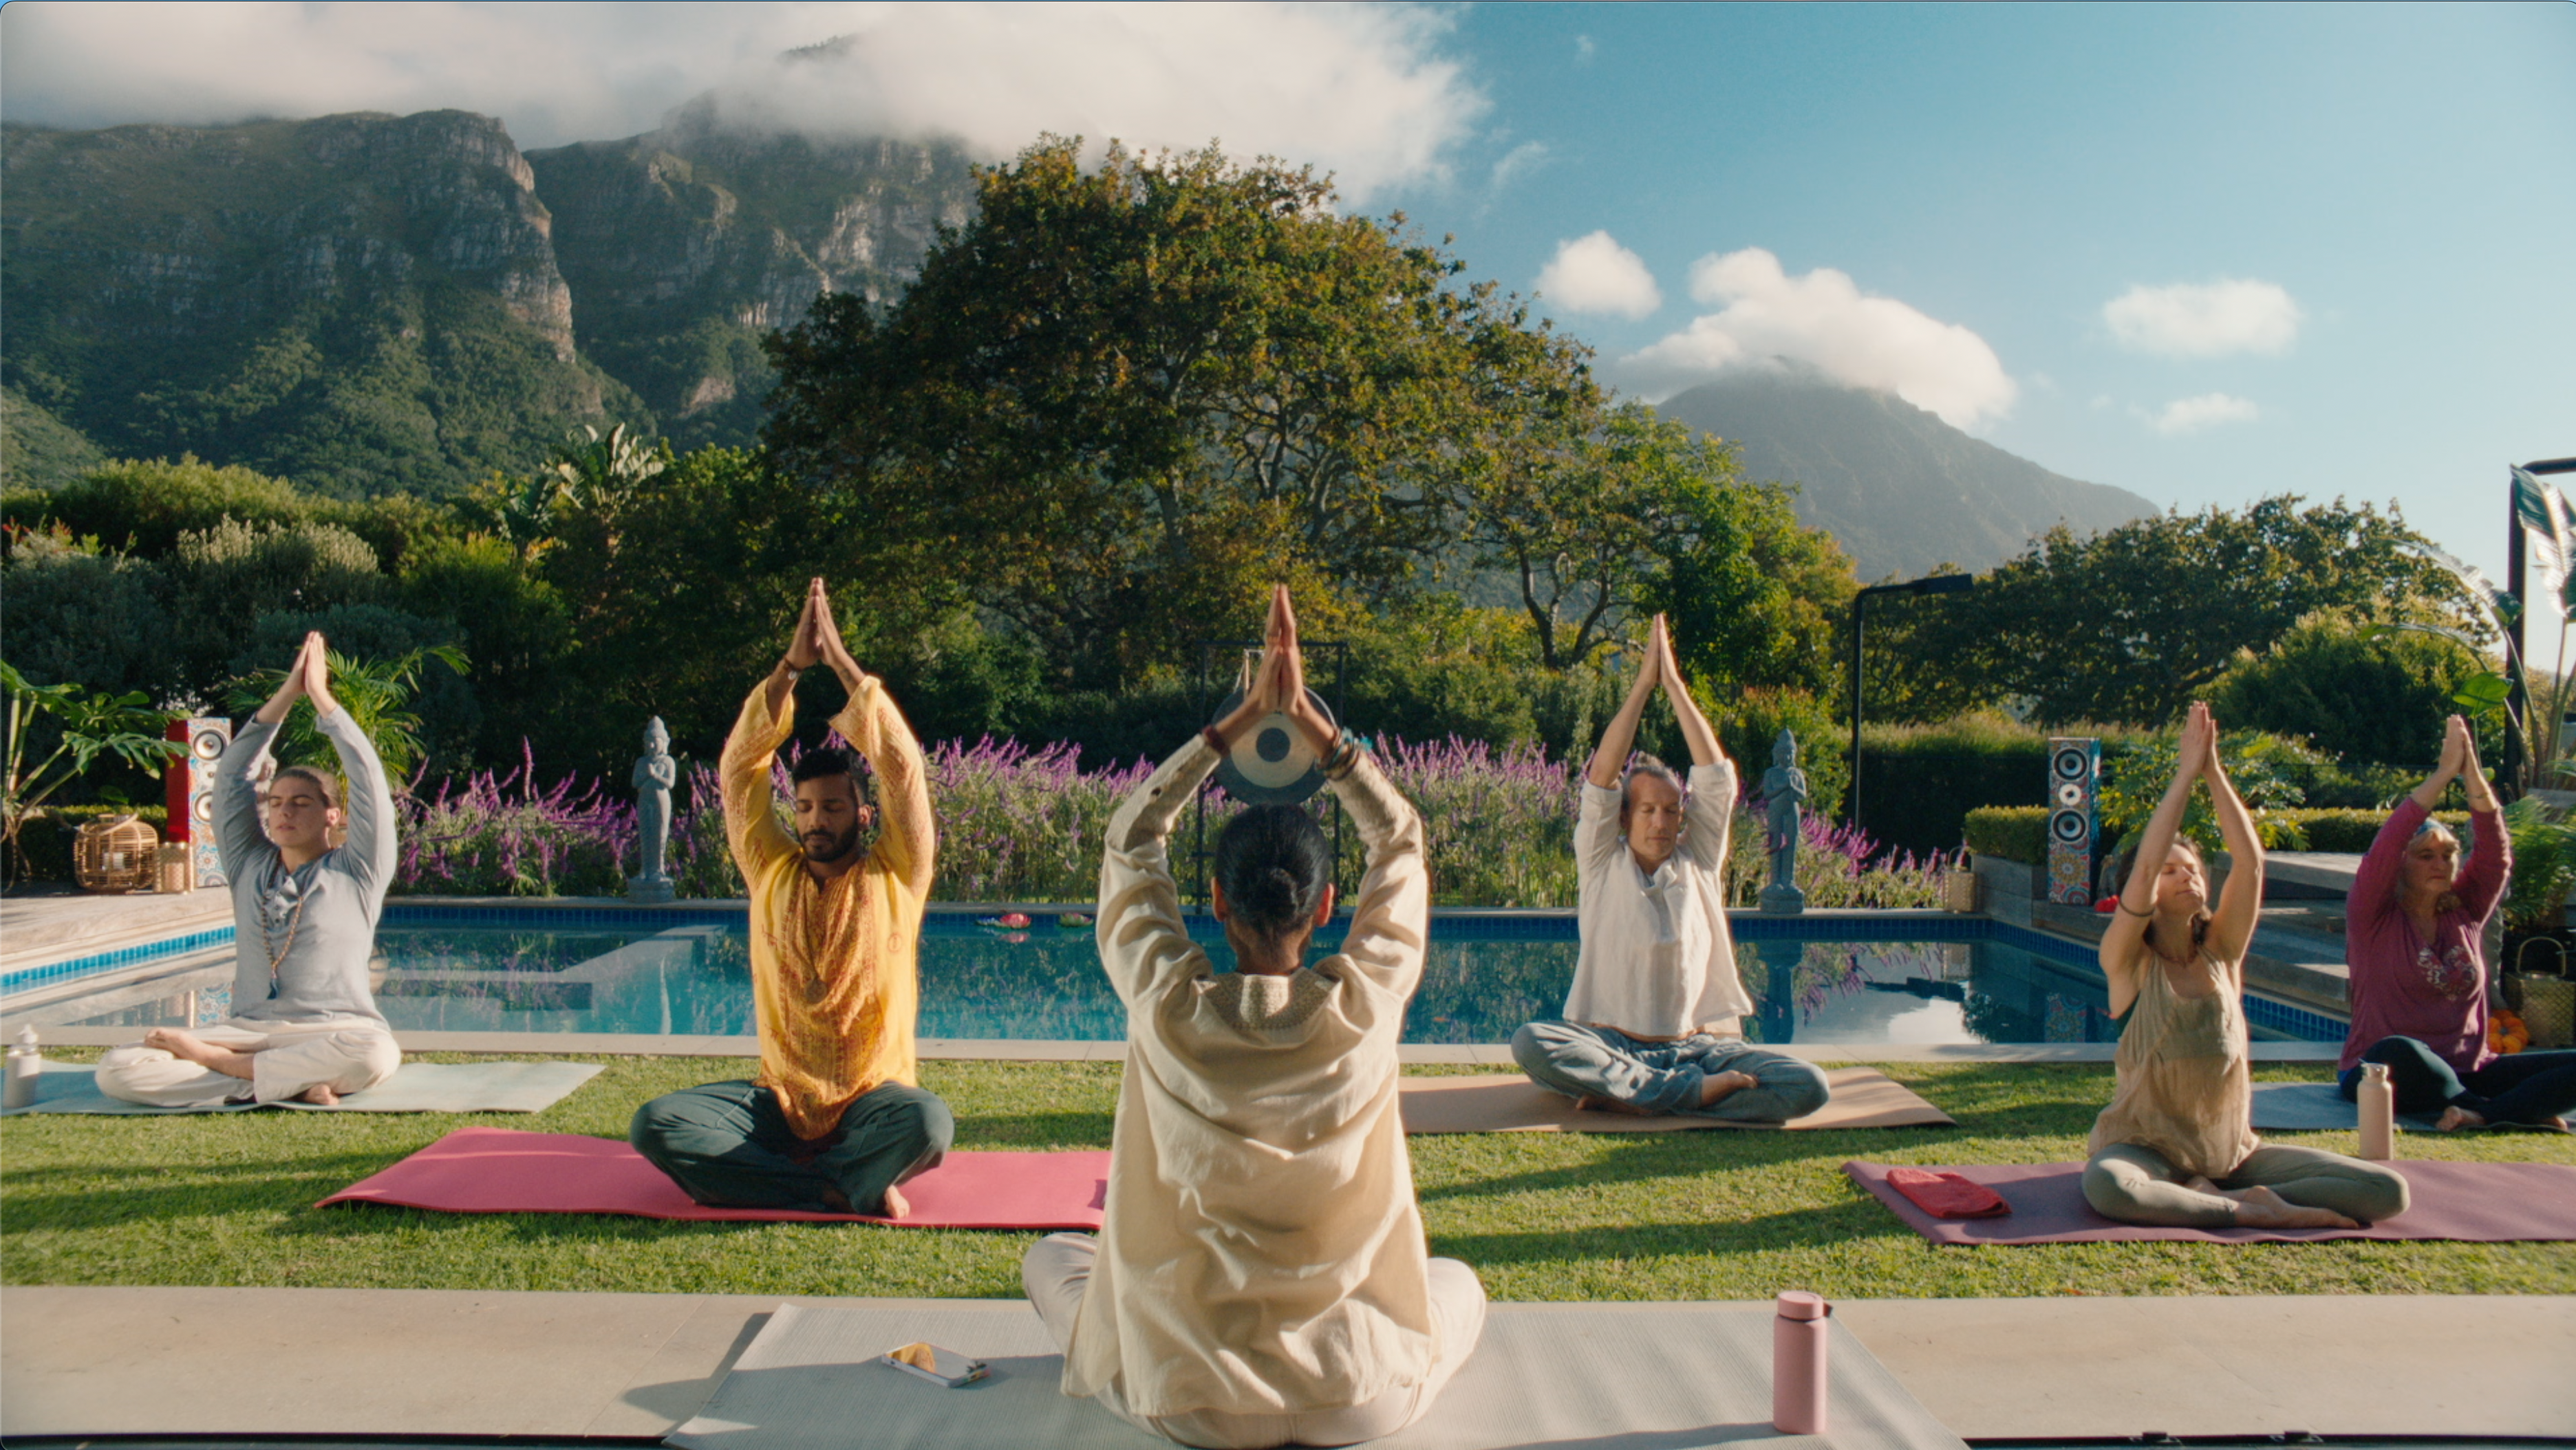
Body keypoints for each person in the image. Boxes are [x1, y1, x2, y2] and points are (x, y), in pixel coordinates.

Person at [1023, 585, 1485, 1449]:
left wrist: (1226, 731)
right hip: (1357, 1387)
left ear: (1217, 898)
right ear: (1327, 906)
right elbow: (1403, 842)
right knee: (1459, 1282)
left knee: (1050, 1257)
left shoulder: (1166, 1007)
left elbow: (1130, 841)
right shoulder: (1364, 1008)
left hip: (1193, 1398)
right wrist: (1324, 736)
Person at [627, 579, 952, 1216]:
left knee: (929, 1126)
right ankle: (840, 1186)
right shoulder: (770, 870)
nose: (814, 822)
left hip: (874, 1098)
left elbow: (902, 770)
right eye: (804, 808)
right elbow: (738, 772)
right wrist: (788, 670)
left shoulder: (897, 874)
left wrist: (838, 662)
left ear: (863, 815)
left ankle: (781, 1177)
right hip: (779, 1098)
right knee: (655, 1124)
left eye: (832, 807)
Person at [2083, 702, 2408, 1229]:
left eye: (2192, 870)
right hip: (2145, 1147)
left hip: (2232, 1153)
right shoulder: (2127, 962)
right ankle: (2248, 1211)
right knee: (2110, 1187)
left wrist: (2213, 771)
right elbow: (2142, 864)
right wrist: (2185, 774)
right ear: (2143, 891)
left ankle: (2231, 1196)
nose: (2187, 877)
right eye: (2171, 871)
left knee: (2387, 1189)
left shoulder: (2222, 953)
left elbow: (2251, 861)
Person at [1510, 615, 1831, 1123]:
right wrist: (1642, 687)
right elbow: (1599, 781)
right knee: (1532, 1043)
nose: (1661, 821)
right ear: (1624, 816)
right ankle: (1690, 1095)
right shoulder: (1601, 862)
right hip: (1610, 1044)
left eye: (1671, 810)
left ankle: (1635, 1095)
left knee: (1809, 1085)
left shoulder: (1699, 859)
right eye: (1647, 810)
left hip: (1703, 1049)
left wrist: (1676, 686)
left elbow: (1716, 779)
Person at [97, 632, 402, 1107]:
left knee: (377, 1055)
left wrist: (321, 697)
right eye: (276, 802)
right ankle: (288, 1082)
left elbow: (368, 781)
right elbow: (233, 778)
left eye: (301, 803)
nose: (284, 812)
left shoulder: (358, 869)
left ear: (332, 816)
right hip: (247, 1030)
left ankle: (230, 1071)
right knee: (117, 1070)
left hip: (338, 1028)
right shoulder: (249, 865)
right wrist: (286, 694)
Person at [2342, 715, 2575, 1130]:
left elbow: (2495, 852)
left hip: (2470, 1069)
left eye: (2448, 854)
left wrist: (2471, 776)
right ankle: (2511, 1109)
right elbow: (2388, 841)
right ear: (2401, 865)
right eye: (2426, 855)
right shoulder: (2373, 915)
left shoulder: (2465, 910)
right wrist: (2444, 773)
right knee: (2399, 1050)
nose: (2441, 863)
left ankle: (2483, 1111)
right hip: (2383, 1072)